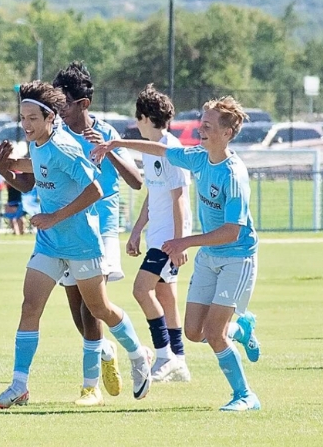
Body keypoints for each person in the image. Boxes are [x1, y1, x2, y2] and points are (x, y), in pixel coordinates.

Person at [0, 81, 148, 409]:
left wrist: (55, 216)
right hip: (50, 244)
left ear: (51, 117)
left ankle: (138, 355)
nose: (26, 124)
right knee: (29, 306)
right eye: (23, 117)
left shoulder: (65, 146)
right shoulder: (38, 144)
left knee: (99, 310)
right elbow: (27, 178)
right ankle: (19, 385)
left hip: (81, 242)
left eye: (33, 118)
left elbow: (96, 189)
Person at [91, 96, 262, 412]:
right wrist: (117, 143)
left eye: (208, 126)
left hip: (237, 257)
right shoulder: (199, 157)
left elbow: (232, 231)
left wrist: (184, 241)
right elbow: (162, 152)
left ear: (227, 133)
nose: (201, 130)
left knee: (213, 333)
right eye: (201, 124)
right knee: (194, 331)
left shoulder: (234, 174)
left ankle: (245, 395)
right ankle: (241, 328)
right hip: (210, 257)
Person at [52, 62, 146, 405]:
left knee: (93, 308)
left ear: (83, 104)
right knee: (79, 309)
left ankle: (89, 387)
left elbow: (136, 181)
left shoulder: (106, 131)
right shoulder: (55, 134)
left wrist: (108, 150)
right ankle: (108, 350)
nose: (57, 110)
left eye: (63, 103)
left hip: (100, 228)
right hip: (66, 227)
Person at [124, 84, 193, 383]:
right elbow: (154, 195)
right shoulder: (152, 151)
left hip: (169, 238)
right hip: (158, 235)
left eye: (137, 118)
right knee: (165, 296)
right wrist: (137, 231)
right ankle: (180, 362)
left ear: (144, 117)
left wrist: (179, 242)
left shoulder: (172, 150)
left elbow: (179, 197)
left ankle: (163, 353)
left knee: (141, 290)